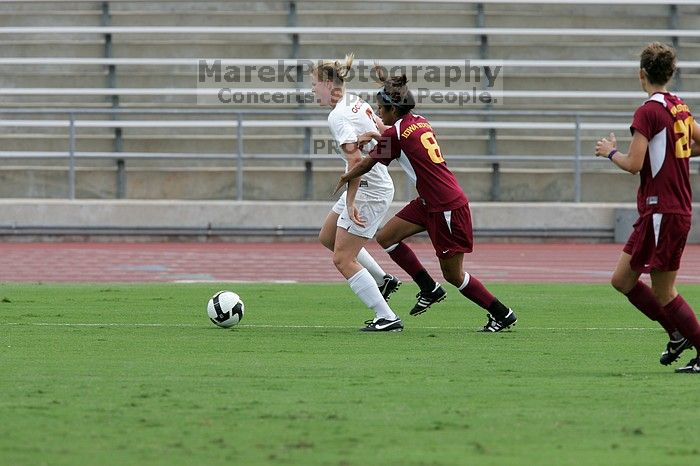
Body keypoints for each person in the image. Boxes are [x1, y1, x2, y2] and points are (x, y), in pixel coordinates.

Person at [334, 68, 517, 332]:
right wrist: (377, 135)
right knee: (386, 237)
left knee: (453, 275)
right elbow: (396, 137)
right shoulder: (418, 121)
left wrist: (346, 176)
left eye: (381, 109)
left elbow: (368, 163)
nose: (378, 113)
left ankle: (501, 313)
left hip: (446, 206)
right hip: (429, 201)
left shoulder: (394, 133)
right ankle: (428, 287)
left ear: (393, 110)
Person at [595, 42, 700, 373]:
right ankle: (676, 333)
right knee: (622, 279)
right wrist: (677, 154)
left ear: (641, 73)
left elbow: (633, 163)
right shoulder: (678, 107)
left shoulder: (648, 111)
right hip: (665, 210)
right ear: (671, 73)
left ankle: (692, 341)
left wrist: (610, 151)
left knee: (665, 291)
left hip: (663, 210)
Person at [311, 54, 403, 332]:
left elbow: (355, 163)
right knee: (328, 236)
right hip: (373, 184)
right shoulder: (356, 102)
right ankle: (383, 280)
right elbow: (385, 130)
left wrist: (350, 202)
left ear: (328, 84)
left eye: (314, 84)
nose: (312, 90)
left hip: (369, 189)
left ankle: (386, 317)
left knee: (342, 258)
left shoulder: (337, 115)